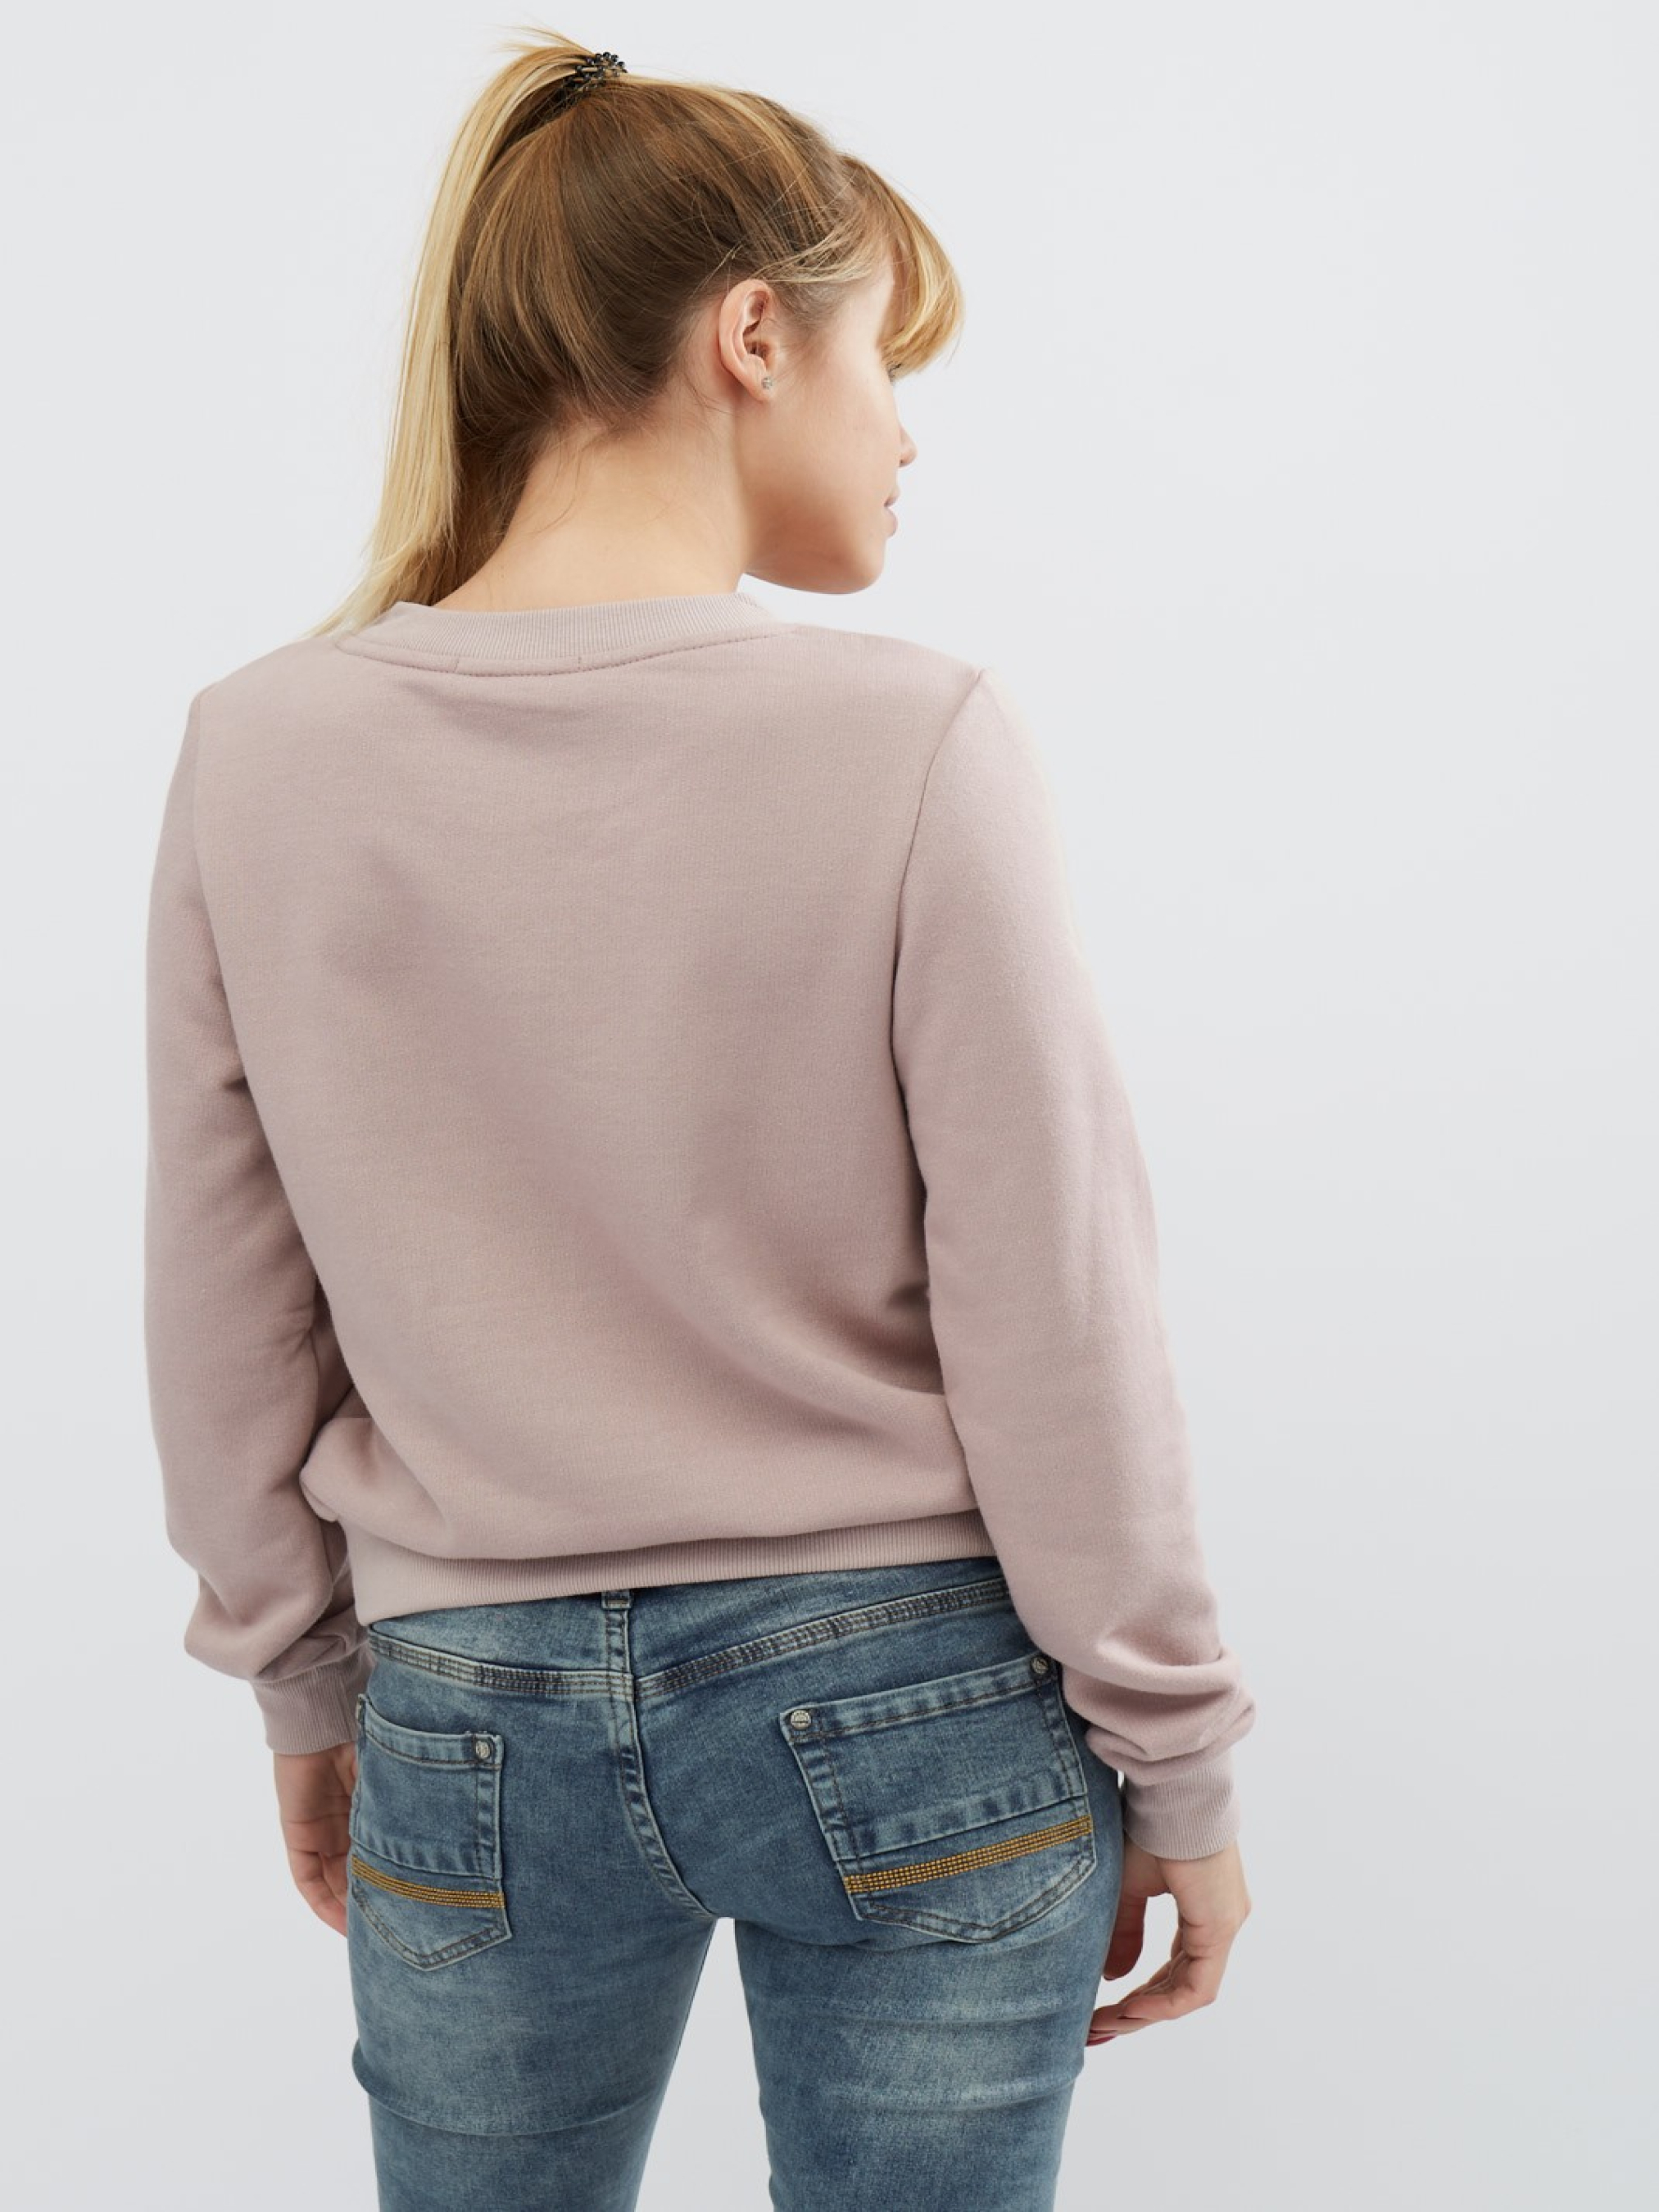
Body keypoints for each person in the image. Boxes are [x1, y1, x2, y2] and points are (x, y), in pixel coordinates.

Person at [143, 31, 1257, 2211]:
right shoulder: (913, 737)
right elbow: (1054, 1309)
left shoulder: (258, 750)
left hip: (469, 1698)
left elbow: (220, 1294)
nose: (905, 432)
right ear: (753, 336)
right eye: (881, 361)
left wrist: (302, 1678)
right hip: (916, 1689)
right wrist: (1181, 1754)